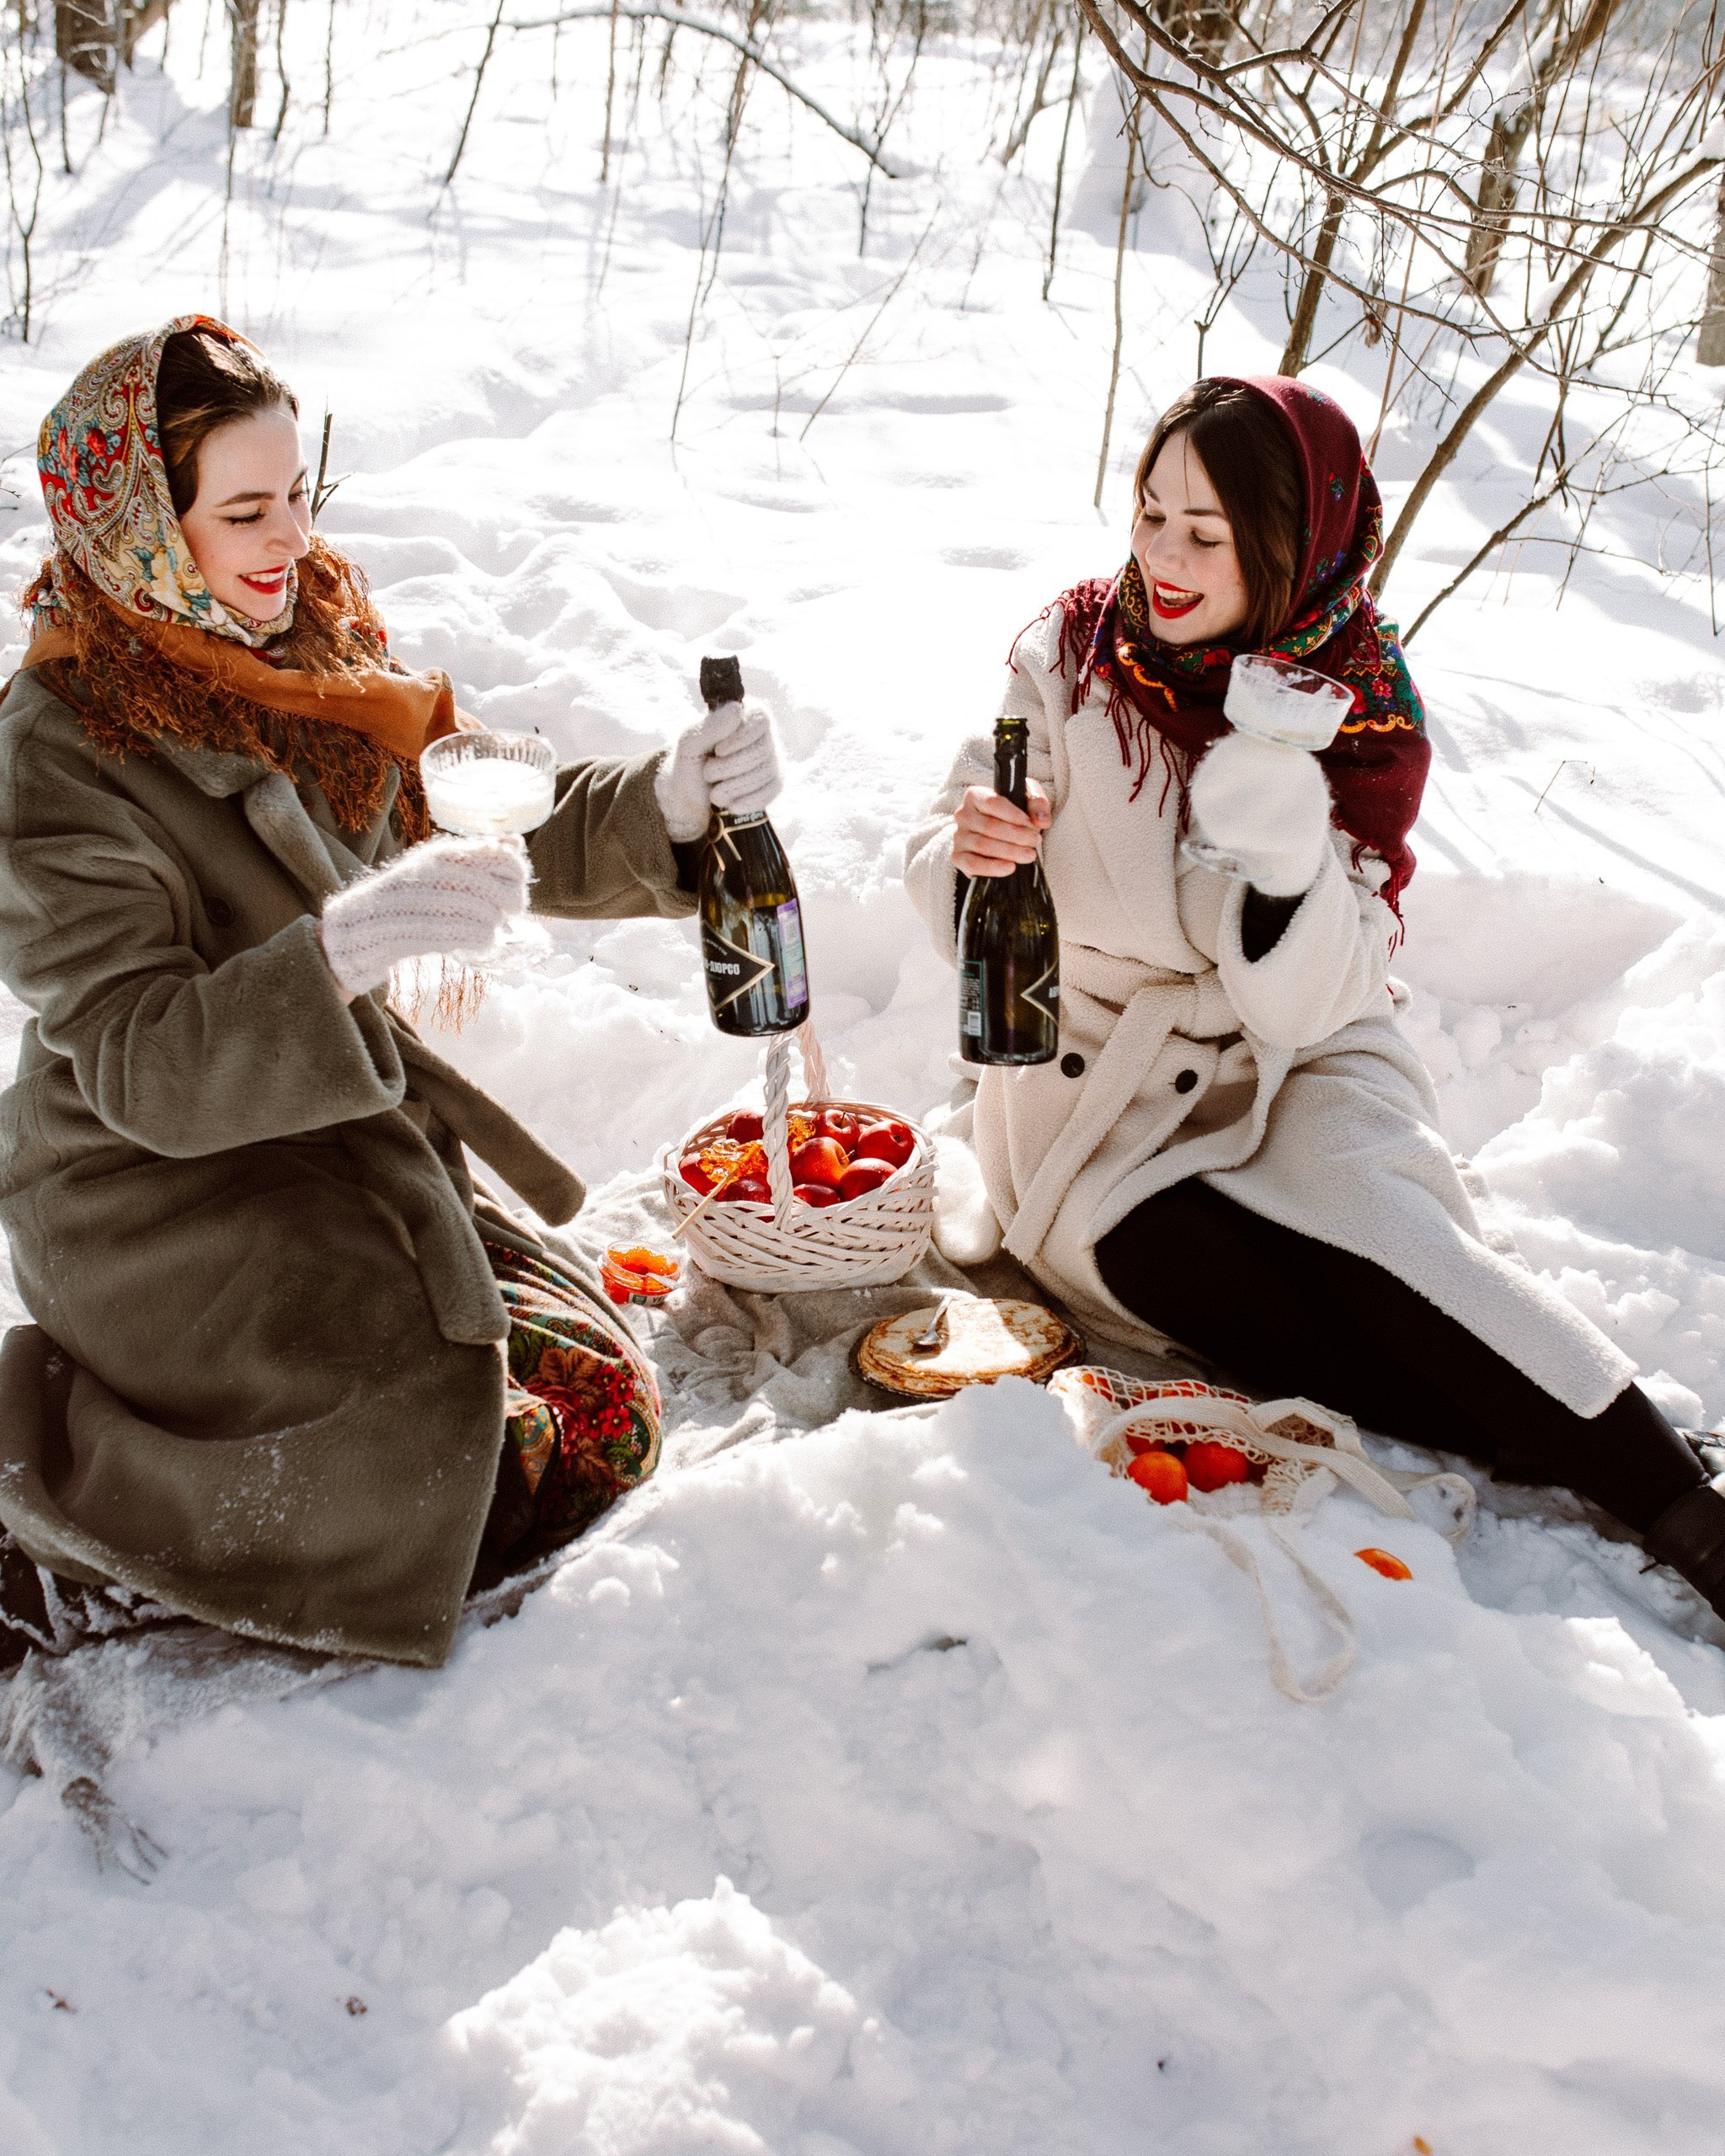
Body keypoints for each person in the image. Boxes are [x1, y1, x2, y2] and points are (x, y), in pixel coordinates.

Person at [0, 313, 781, 1668]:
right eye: (243, 509)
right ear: (139, 526)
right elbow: (140, 1064)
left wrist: (667, 804)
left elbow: (481, 817)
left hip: (329, 1147)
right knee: (451, 1475)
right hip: (149, 1201)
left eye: (296, 494)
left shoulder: (310, 657)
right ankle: (66, 1517)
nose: (288, 539)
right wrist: (339, 960)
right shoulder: (56, 756)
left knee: (591, 1408)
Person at [906, 374, 1725, 1615]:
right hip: (1106, 1080)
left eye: (1207, 532)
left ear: (1290, 548)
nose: (1162, 557)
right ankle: (1557, 1436)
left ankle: (1688, 1515)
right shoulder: (1070, 659)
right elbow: (953, 846)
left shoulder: (1354, 710)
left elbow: (1319, 997)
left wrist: (1277, 833)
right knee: (1184, 1267)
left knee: (1388, 1249)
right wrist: (968, 853)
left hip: (1299, 1056)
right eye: (1150, 512)